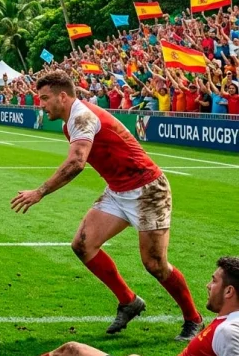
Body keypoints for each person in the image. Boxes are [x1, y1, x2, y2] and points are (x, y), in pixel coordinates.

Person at [11, 70, 202, 340]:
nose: (40, 104)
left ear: (62, 96)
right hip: (118, 190)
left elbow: (77, 162)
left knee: (155, 264)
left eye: (44, 98)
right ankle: (129, 301)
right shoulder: (70, 122)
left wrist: (40, 192)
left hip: (148, 189)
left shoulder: (81, 117)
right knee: (82, 245)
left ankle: (193, 319)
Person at [0, 256, 239, 356]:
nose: (207, 285)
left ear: (229, 291)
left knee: (72, 352)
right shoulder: (229, 323)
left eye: (213, 281)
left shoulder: (230, 332)